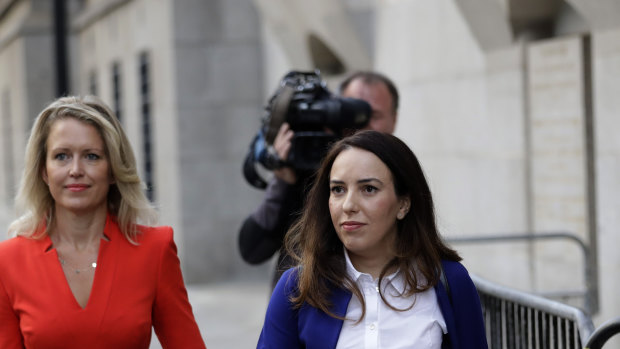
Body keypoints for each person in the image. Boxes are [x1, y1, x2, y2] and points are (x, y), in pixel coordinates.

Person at [0, 96, 206, 348]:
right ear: (44, 170)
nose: (76, 169)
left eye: (92, 156)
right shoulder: (8, 262)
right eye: (62, 156)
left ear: (113, 169)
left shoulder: (155, 249)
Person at [257, 130, 488, 348]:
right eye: (338, 189)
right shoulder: (295, 288)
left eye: (368, 189)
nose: (348, 205)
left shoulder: (449, 281)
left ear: (403, 204)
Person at [238, 71, 399, 288]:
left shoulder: (404, 175)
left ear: (394, 119)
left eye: (373, 116)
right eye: (351, 113)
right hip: (303, 305)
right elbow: (252, 249)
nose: (362, 127)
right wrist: (283, 180)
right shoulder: (308, 170)